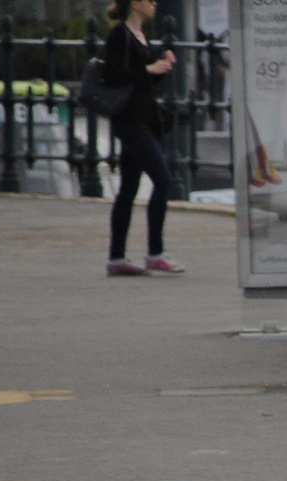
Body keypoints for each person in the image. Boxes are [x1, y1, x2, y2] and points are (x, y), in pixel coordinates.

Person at [102, 0, 183, 276]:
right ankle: (155, 252)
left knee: (128, 189)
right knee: (163, 180)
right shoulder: (119, 35)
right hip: (129, 122)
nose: (154, 4)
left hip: (143, 119)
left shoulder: (141, 36)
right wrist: (148, 69)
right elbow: (112, 76)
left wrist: (161, 68)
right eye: (149, 0)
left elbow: (140, 83)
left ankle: (116, 258)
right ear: (135, 3)